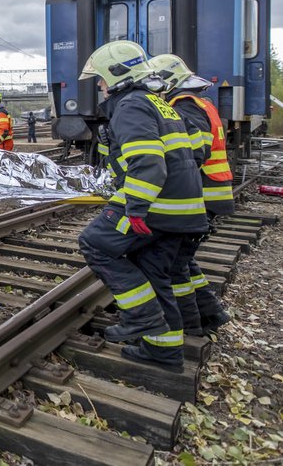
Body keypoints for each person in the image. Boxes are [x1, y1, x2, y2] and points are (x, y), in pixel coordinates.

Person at [77, 40, 208, 372]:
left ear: (117, 76)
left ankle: (140, 318)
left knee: (95, 242)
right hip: (183, 207)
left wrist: (134, 210)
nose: (101, 87)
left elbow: (149, 164)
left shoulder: (131, 105)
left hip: (159, 208)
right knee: (153, 269)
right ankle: (164, 351)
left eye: (102, 80)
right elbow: (191, 152)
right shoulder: (158, 102)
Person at [149, 54, 233, 335]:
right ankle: (211, 314)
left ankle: (190, 325)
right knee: (183, 259)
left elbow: (195, 150)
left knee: (174, 267)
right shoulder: (200, 102)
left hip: (202, 193)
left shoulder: (183, 105)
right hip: (210, 191)